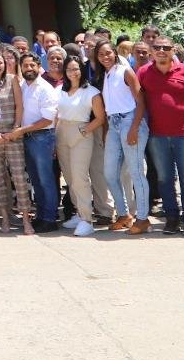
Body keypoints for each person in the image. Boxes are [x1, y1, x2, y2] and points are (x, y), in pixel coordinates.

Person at [137, 37, 184, 236]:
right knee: (164, 179)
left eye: (165, 48)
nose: (161, 51)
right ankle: (172, 217)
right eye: (157, 47)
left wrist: (183, 116)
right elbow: (140, 101)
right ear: (152, 51)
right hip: (157, 134)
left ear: (173, 50)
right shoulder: (144, 73)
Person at [95, 39, 150, 234]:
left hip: (130, 121)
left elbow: (140, 101)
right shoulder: (106, 75)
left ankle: (142, 218)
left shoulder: (125, 71)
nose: (105, 57)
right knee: (109, 173)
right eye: (101, 55)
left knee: (136, 172)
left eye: (108, 53)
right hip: (113, 124)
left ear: (115, 52)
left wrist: (134, 127)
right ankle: (124, 214)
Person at [0, 51, 33, 235]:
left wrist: (16, 128)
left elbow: (19, 106)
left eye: (1, 63)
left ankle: (26, 219)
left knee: (19, 177)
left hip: (13, 136)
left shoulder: (12, 81)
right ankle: (5, 218)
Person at [55, 54, 106, 237]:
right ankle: (79, 211)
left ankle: (87, 219)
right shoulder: (61, 90)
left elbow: (100, 118)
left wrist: (84, 131)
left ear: (81, 70)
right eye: (69, 69)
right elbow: (56, 114)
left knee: (79, 177)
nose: (73, 72)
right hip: (62, 133)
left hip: (81, 133)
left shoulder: (91, 92)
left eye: (76, 68)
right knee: (69, 178)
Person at [13, 53, 61, 232]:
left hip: (42, 137)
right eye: (25, 66)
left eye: (32, 65)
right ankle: (41, 216)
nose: (29, 69)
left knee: (46, 179)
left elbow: (48, 119)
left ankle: (50, 218)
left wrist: (22, 130)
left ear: (39, 66)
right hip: (28, 138)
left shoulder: (45, 88)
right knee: (35, 180)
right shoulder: (23, 86)